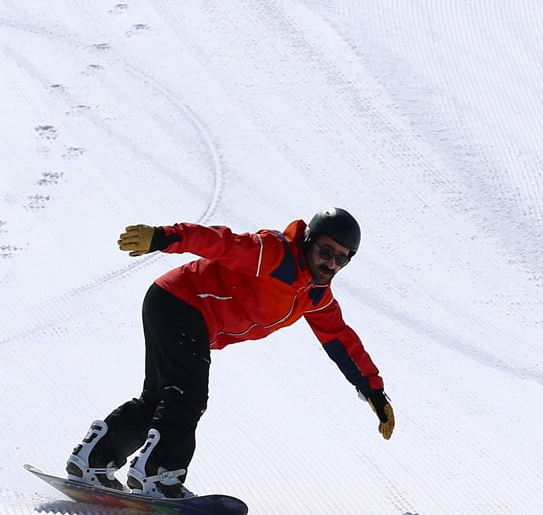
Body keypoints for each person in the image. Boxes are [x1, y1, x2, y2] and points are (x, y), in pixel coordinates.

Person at [66, 207, 395, 498]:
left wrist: (373, 391)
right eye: (326, 251)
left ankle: (93, 460)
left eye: (342, 258)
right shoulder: (274, 253)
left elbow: (339, 338)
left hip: (176, 306)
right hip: (180, 302)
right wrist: (162, 237)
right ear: (309, 241)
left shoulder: (314, 295)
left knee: (159, 398)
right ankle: (158, 475)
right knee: (187, 396)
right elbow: (218, 242)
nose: (331, 263)